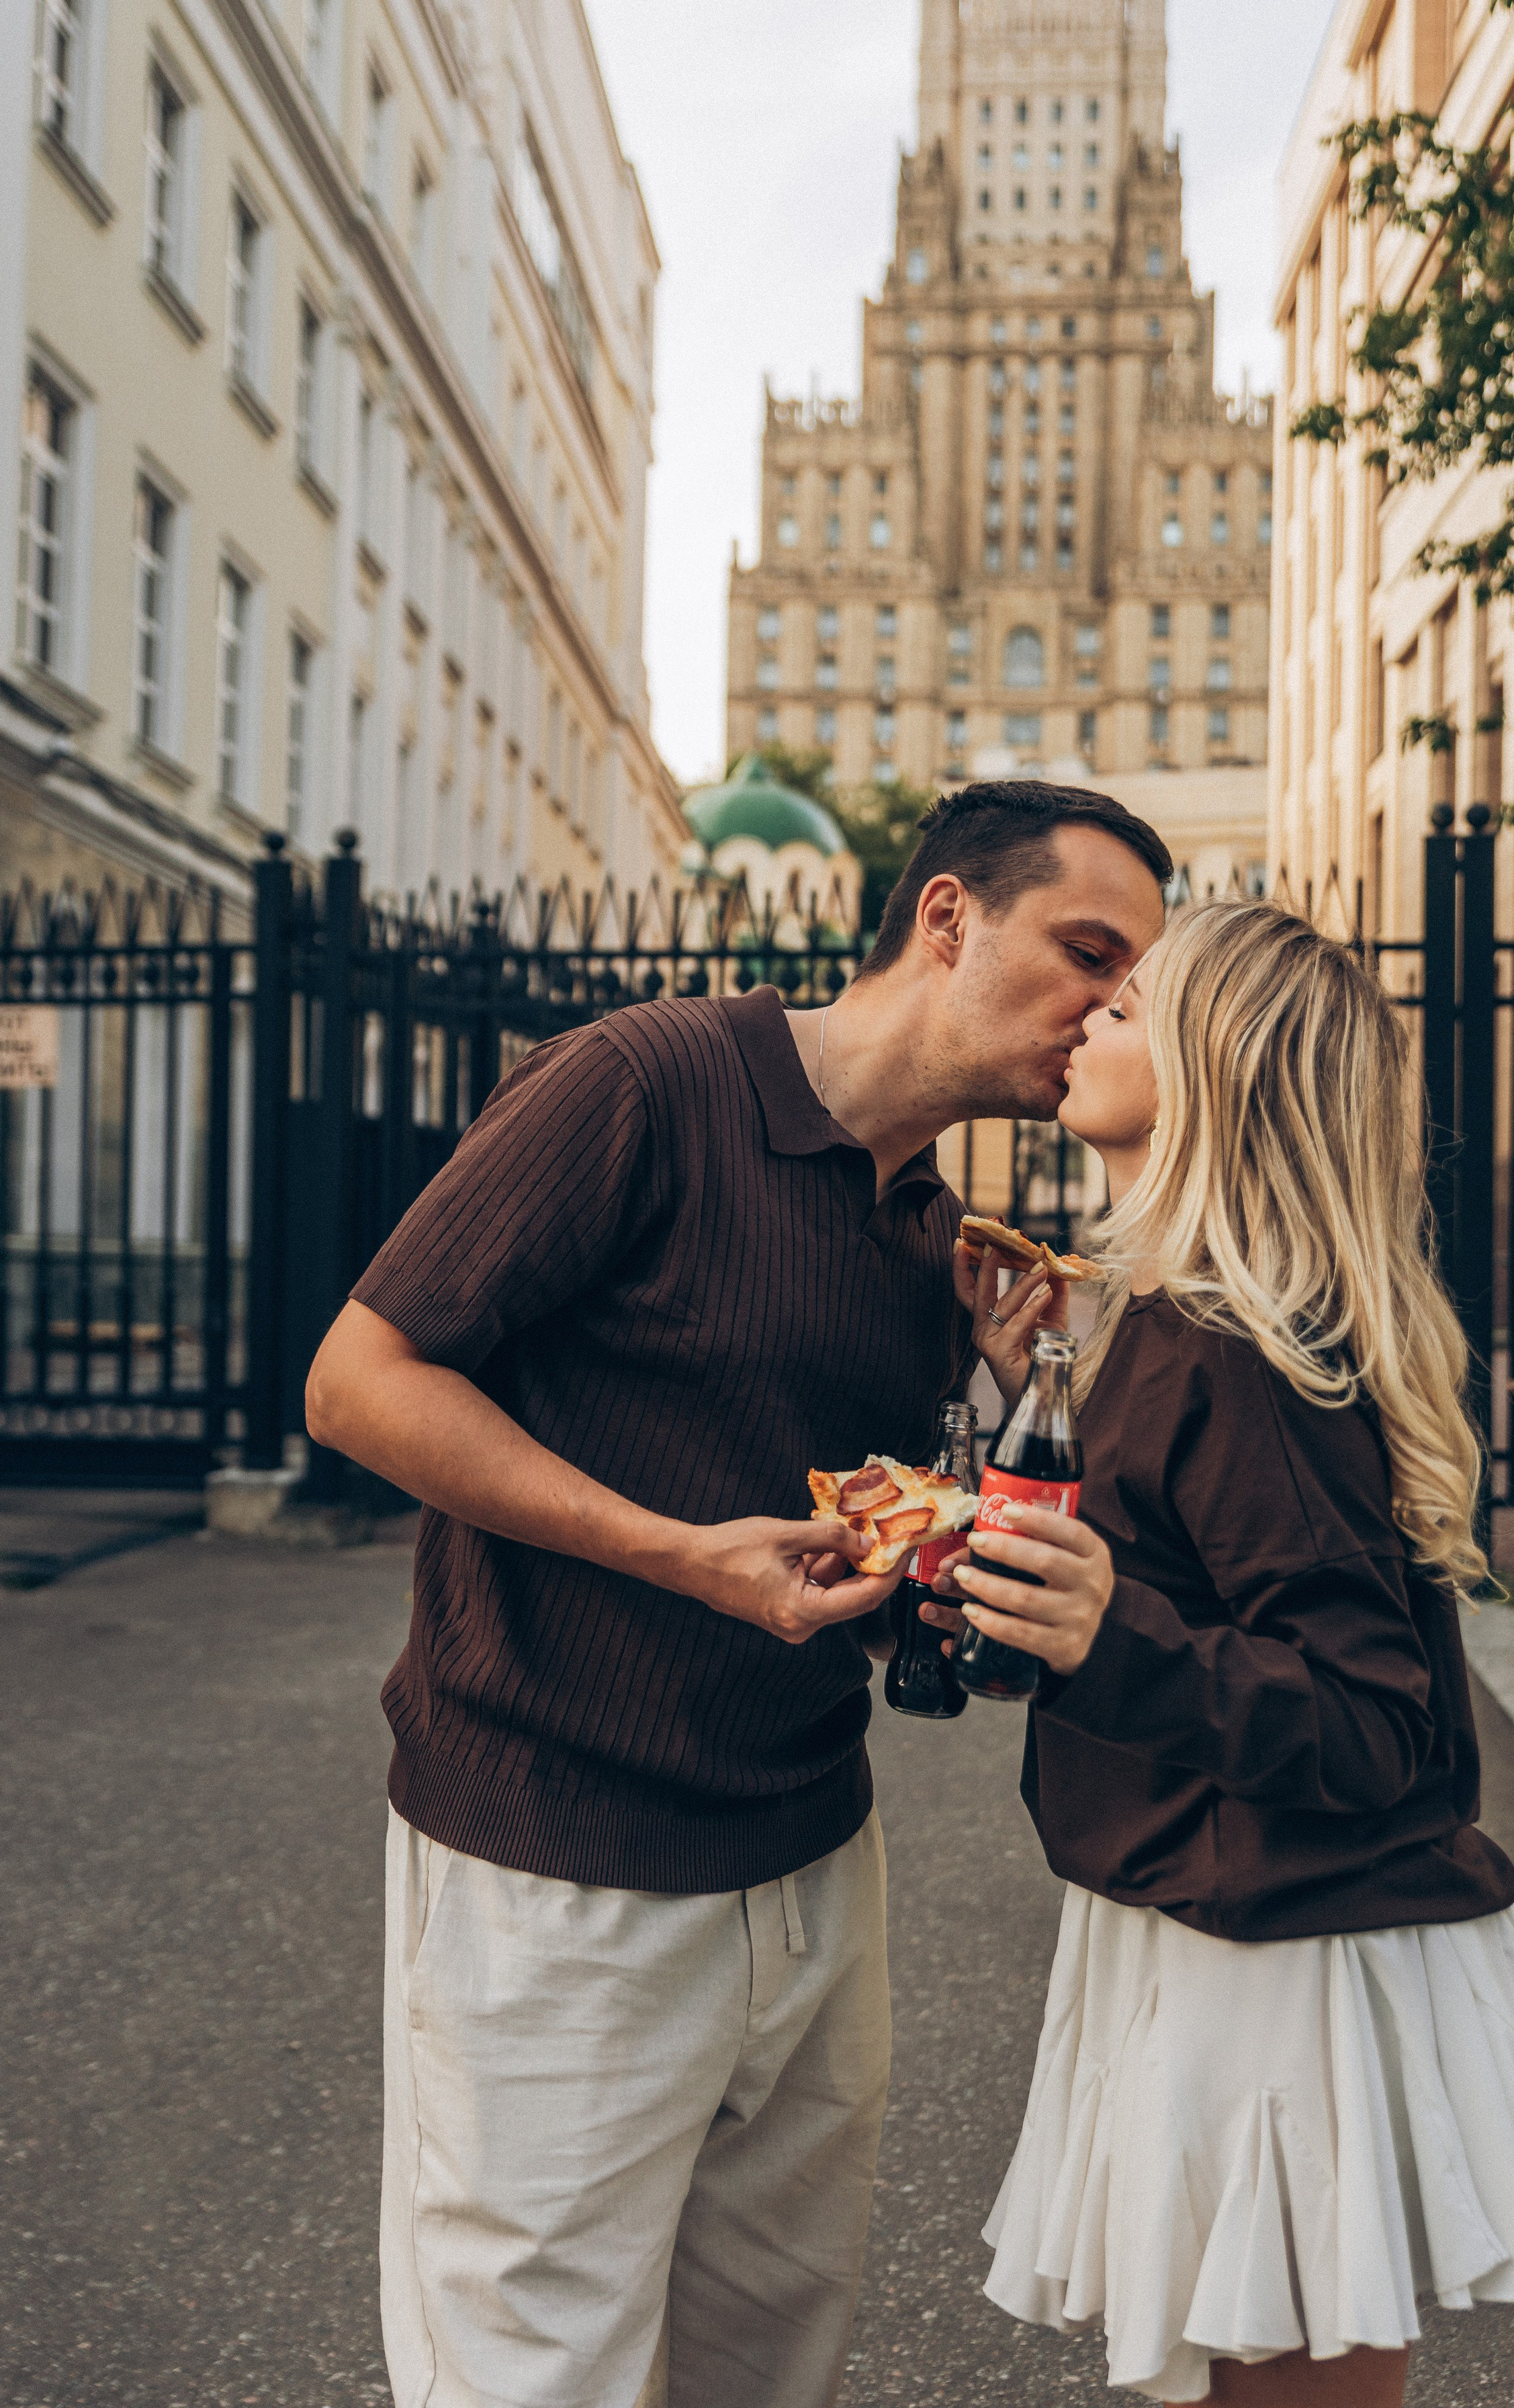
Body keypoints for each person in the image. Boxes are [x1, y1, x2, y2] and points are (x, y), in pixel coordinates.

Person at [303, 781, 1170, 2408]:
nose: (1113, 1004)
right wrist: (671, 1552)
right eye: (1085, 949)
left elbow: (877, 1544)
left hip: (810, 1872)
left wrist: (1004, 1406)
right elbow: (358, 1383)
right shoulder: (643, 1082)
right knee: (529, 2374)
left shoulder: (930, 1230)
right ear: (944, 920)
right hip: (560, 1860)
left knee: (763, 2371)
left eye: (1131, 977)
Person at [930, 899, 1514, 2406]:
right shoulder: (1168, 1327)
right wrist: (1038, 1400)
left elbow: (1369, 1715)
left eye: (1125, 1012)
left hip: (1281, 1953)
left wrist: (1100, 1629)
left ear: (1210, 1079)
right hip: (1213, 1909)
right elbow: (1178, 1564)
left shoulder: (1235, 1350)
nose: (1086, 1018)